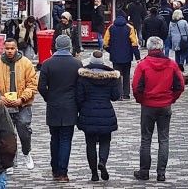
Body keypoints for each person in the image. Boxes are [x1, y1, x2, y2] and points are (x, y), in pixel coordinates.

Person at [132, 37, 185, 182]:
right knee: (164, 139)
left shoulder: (143, 65)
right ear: (161, 49)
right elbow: (180, 85)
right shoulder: (171, 65)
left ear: (148, 49)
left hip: (148, 106)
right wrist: (171, 99)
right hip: (165, 106)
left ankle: (144, 171)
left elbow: (136, 87)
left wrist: (141, 100)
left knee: (146, 139)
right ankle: (161, 173)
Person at [39, 35, 83, 182]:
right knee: (66, 139)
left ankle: (55, 169)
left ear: (56, 46)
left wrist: (48, 97)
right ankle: (63, 172)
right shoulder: (77, 64)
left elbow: (41, 87)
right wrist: (78, 102)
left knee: (54, 138)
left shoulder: (47, 64)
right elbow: (80, 88)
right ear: (69, 46)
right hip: (70, 106)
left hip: (54, 105)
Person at [0, 38, 38, 170]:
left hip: (23, 104)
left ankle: (27, 152)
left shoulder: (26, 63)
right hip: (4, 105)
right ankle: (10, 160)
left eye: (12, 48)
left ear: (16, 48)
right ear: (3, 49)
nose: (10, 51)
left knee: (24, 130)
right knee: (7, 134)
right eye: (7, 48)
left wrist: (22, 98)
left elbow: (32, 84)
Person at [76, 51, 120, 181]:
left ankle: (94, 173)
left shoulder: (83, 76)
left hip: (88, 111)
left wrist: (81, 110)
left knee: (90, 143)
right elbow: (115, 96)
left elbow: (79, 97)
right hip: (106, 112)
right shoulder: (111, 76)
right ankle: (102, 161)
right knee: (105, 140)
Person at [104, 10, 141, 100]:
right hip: (127, 56)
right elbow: (134, 43)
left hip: (115, 56)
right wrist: (137, 57)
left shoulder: (111, 27)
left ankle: (119, 94)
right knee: (126, 75)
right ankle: (126, 93)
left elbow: (105, 43)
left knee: (117, 75)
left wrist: (111, 51)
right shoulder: (130, 27)